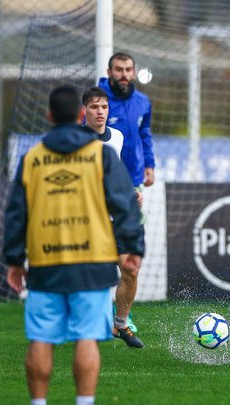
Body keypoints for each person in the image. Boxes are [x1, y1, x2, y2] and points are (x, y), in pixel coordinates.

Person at [3, 85, 144, 405]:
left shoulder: (33, 157)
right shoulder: (100, 154)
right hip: (91, 259)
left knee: (41, 337)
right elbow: (125, 204)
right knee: (87, 336)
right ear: (80, 114)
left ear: (50, 116)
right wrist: (133, 248)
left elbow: (16, 213)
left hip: (46, 259)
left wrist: (13, 259)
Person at [98, 52, 155, 342]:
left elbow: (145, 134)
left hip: (131, 188)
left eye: (128, 69)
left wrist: (150, 165)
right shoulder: (98, 102)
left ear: (133, 72)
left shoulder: (143, 102)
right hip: (99, 198)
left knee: (131, 264)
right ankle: (96, 317)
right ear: (109, 71)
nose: (123, 74)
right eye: (118, 69)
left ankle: (121, 318)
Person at [81, 87, 143, 348]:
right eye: (95, 107)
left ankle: (121, 324)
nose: (100, 112)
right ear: (84, 110)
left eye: (104, 107)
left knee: (130, 269)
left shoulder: (116, 136)